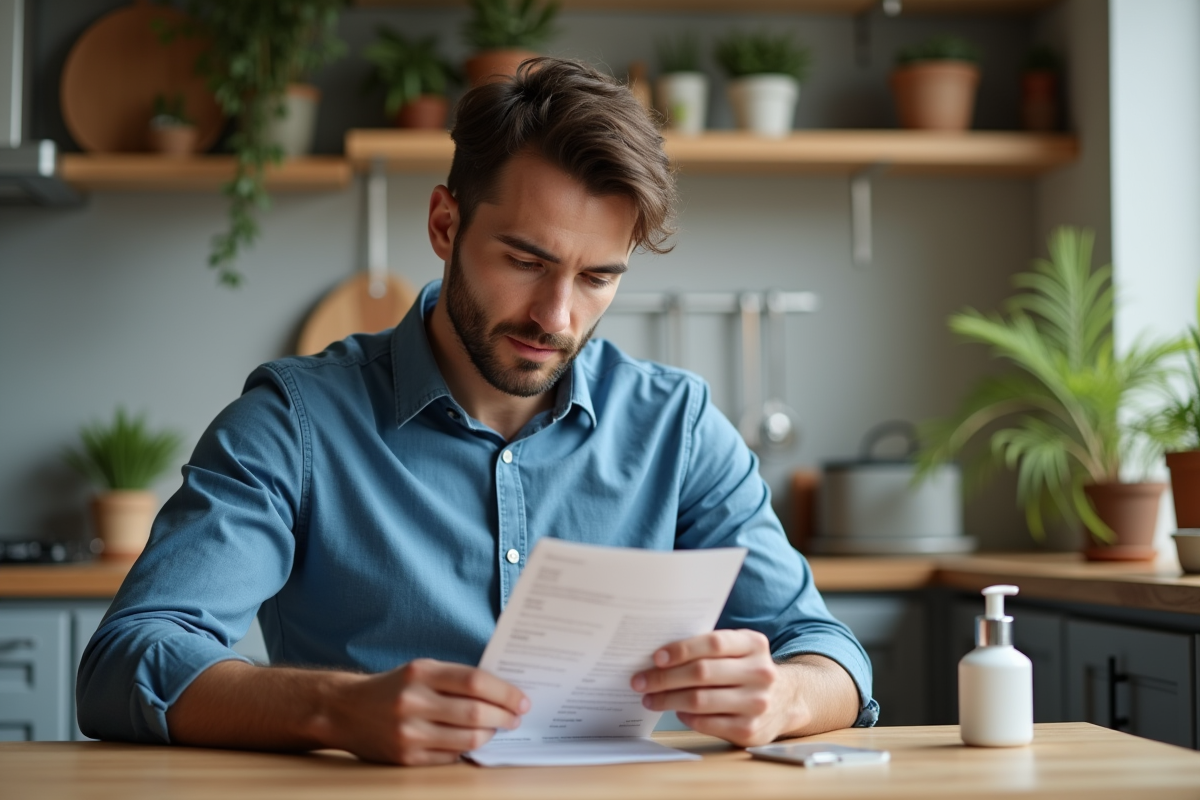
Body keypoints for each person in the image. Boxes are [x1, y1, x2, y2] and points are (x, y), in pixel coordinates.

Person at [77, 58, 878, 766]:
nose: (557, 316)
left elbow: (830, 654)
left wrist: (784, 699)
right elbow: (125, 662)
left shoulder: (678, 427)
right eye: (526, 261)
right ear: (444, 224)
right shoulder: (294, 421)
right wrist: (335, 710)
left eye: (598, 277)